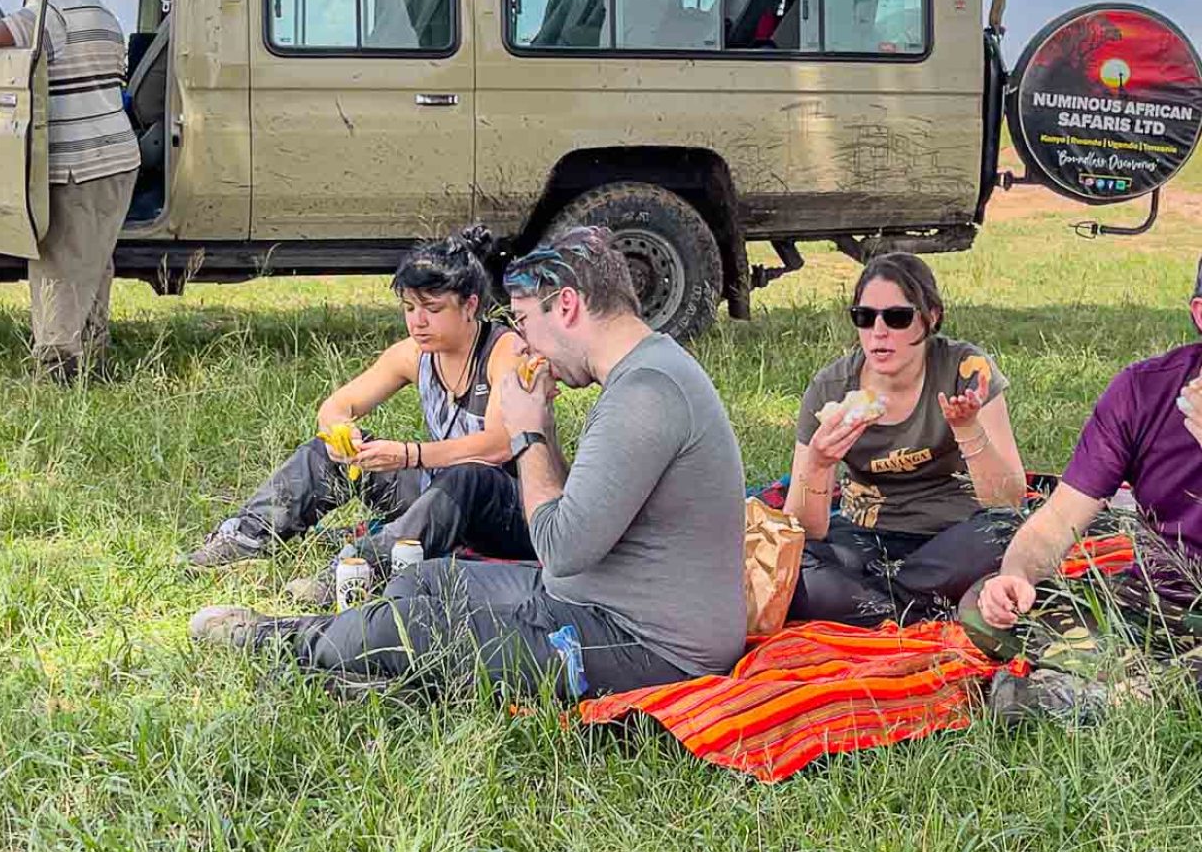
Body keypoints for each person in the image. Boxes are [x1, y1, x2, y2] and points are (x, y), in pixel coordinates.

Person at [189, 226, 747, 699]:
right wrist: (543, 427)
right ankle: (373, 663)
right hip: (598, 598)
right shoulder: (644, 375)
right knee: (425, 582)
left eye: (526, 323)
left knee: (420, 624)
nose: (527, 347)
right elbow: (577, 523)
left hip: (647, 644)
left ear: (569, 306)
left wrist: (528, 430)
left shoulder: (643, 397)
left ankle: (280, 639)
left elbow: (559, 547)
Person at [186, 228, 534, 600]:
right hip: (436, 489)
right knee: (326, 451)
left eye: (432, 309)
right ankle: (247, 534)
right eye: (409, 308)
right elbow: (338, 406)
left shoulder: (503, 350)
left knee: (467, 476)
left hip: (506, 507)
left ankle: (355, 569)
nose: (418, 322)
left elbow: (499, 445)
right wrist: (342, 436)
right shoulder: (413, 354)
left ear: (469, 305)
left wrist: (407, 454)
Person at [963, 259, 1202, 689]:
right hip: (1154, 603)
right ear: (1200, 314)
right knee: (985, 603)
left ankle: (1102, 695)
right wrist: (1016, 575)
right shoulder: (1144, 391)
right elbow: (1058, 519)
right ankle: (1142, 684)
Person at [787, 253, 1026, 625]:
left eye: (896, 318)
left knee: (1007, 532)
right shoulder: (831, 389)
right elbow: (803, 528)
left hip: (953, 535)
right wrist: (818, 466)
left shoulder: (964, 370)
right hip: (868, 538)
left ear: (930, 317)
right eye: (864, 318)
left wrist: (967, 429)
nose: (878, 332)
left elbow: (1009, 499)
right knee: (793, 568)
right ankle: (924, 608)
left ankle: (873, 607)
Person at [0, 0, 139, 378]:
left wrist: (12, 10)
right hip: (118, 156)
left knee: (58, 260)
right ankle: (93, 352)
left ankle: (56, 366)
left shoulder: (51, 11)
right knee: (95, 258)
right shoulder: (104, 14)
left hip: (80, 162)